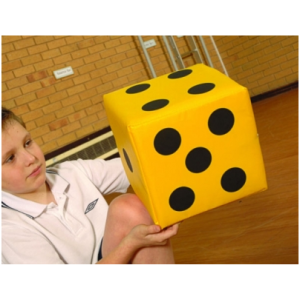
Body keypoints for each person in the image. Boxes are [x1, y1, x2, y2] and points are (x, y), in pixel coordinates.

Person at [1, 107, 179, 264]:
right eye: (10, 158)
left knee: (130, 208)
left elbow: (140, 169)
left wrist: (176, 207)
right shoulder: (7, 228)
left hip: (111, 257)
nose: (30, 158)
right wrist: (131, 243)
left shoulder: (70, 171)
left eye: (28, 143)